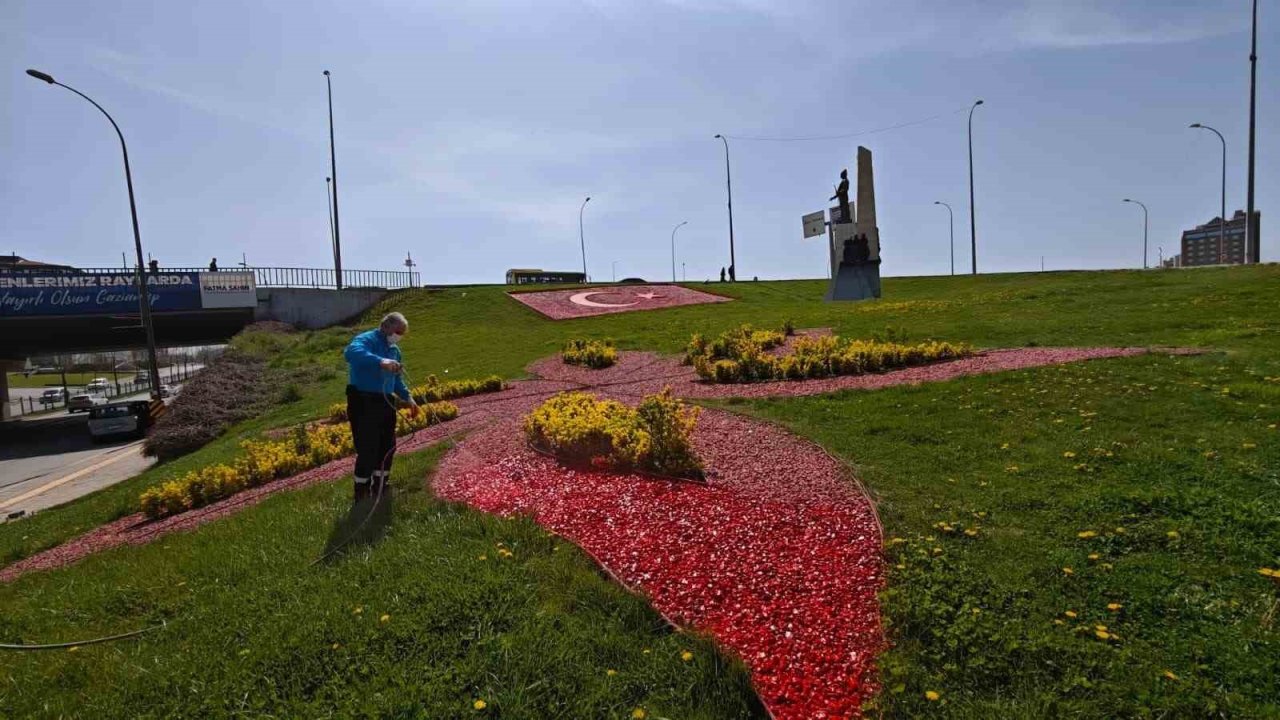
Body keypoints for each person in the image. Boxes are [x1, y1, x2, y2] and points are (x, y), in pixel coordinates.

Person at [343, 312, 420, 502]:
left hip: (385, 401)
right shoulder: (366, 339)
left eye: (402, 333)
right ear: (386, 326)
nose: (399, 336)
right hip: (362, 400)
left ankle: (381, 485)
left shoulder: (394, 350)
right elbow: (351, 353)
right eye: (398, 332)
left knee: (388, 446)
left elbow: (396, 381)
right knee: (368, 447)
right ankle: (361, 491)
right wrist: (381, 361)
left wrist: (408, 398)